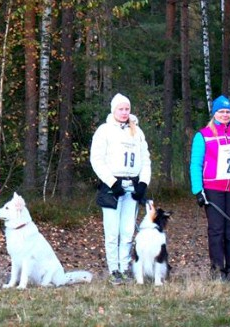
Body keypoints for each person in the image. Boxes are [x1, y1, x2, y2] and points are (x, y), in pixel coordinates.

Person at [190, 95, 230, 282]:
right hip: (213, 189)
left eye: (228, 111)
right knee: (216, 230)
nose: (225, 115)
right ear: (214, 113)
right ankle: (217, 270)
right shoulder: (203, 135)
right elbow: (196, 164)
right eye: (221, 111)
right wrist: (197, 190)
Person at [90, 93, 151, 285]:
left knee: (127, 230)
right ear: (113, 110)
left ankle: (125, 267)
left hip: (132, 186)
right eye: (121, 109)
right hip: (112, 188)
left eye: (127, 109)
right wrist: (111, 182)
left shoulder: (137, 132)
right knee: (112, 231)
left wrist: (143, 183)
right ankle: (113, 269)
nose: (124, 112)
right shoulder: (104, 130)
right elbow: (97, 159)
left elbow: (145, 159)